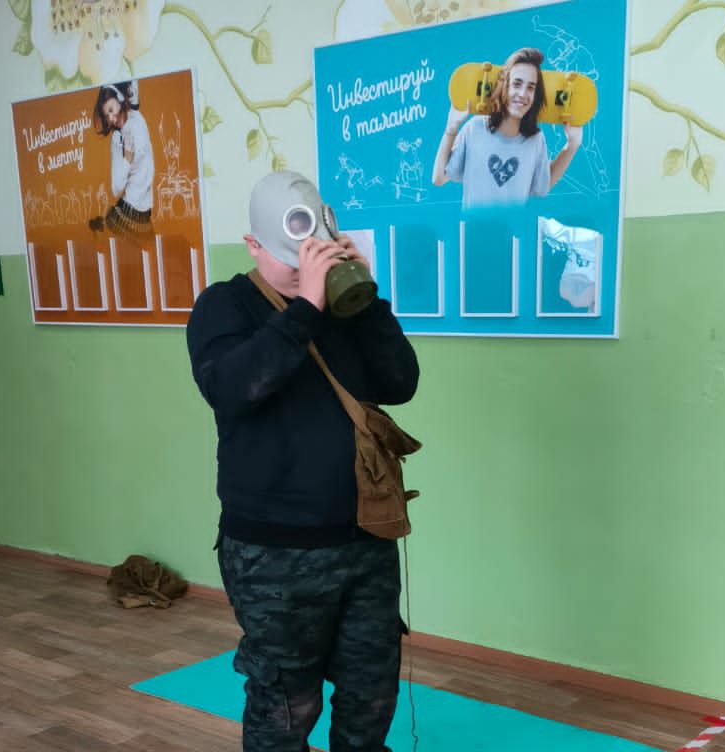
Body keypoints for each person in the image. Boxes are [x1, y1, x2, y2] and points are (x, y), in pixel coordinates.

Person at [185, 169, 420, 752]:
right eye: (289, 257)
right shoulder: (224, 306)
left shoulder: (344, 308)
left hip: (364, 540)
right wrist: (305, 309)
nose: (303, 267)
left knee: (371, 695)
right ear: (253, 245)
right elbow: (233, 389)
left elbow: (401, 382)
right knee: (287, 706)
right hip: (273, 554)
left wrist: (364, 299)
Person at [432, 47, 582, 209]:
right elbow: (439, 178)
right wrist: (451, 129)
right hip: (474, 226)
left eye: (531, 87)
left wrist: (572, 145)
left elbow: (543, 186)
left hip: (515, 226)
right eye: (517, 84)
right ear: (505, 85)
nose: (523, 94)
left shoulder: (535, 140)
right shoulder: (475, 128)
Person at [88, 80, 155, 238]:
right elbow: (116, 188)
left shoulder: (136, 116)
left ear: (119, 98)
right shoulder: (117, 140)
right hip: (129, 212)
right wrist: (127, 160)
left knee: (152, 249)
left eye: (111, 110)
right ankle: (101, 227)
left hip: (145, 213)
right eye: (107, 115)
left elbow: (132, 82)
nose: (111, 118)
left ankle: (101, 225)